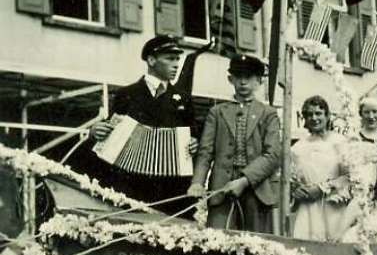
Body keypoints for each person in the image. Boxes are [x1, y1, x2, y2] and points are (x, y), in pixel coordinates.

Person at [88, 35, 198, 213]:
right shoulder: (127, 94)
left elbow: (195, 135)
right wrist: (95, 132)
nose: (176, 64)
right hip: (131, 186)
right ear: (152, 60)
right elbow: (107, 138)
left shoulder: (183, 99)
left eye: (178, 59)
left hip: (170, 189)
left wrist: (195, 143)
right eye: (170, 58)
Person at [188, 55, 281, 232]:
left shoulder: (268, 114)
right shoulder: (217, 112)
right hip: (221, 190)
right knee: (218, 241)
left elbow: (272, 155)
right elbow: (205, 151)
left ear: (259, 81)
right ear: (230, 79)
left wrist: (244, 181)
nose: (243, 82)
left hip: (257, 190)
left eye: (249, 77)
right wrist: (198, 182)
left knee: (258, 246)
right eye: (238, 77)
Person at [290, 96, 349, 241]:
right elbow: (291, 177)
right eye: (309, 114)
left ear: (327, 116)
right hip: (308, 206)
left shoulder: (340, 142)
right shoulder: (298, 147)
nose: (314, 118)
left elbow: (349, 176)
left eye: (318, 113)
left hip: (333, 203)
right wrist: (295, 189)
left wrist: (323, 188)